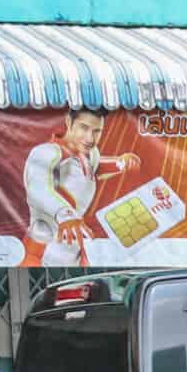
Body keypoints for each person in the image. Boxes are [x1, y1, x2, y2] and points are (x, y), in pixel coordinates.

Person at [25, 108, 139, 267]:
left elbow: (92, 170)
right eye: (84, 128)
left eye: (97, 131)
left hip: (75, 244)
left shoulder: (90, 153)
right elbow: (38, 188)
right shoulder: (47, 153)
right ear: (68, 122)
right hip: (43, 246)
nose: (90, 138)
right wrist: (66, 215)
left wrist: (120, 163)